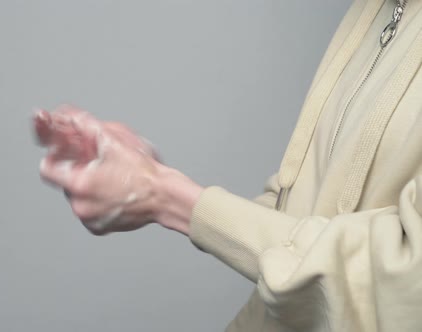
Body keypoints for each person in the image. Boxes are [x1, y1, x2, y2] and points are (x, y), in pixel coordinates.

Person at [35, 0, 422, 330]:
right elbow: (301, 220)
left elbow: (405, 282)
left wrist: (164, 195)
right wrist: (141, 172)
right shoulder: (376, 10)